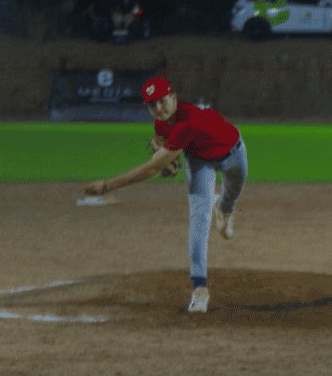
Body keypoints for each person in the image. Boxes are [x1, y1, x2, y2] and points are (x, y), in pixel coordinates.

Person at [83, 76, 248, 313]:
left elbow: (151, 167)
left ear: (174, 97)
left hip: (234, 154)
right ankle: (199, 289)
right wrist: (165, 155)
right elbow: (160, 140)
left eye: (162, 101)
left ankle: (223, 209)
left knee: (231, 196)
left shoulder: (187, 122)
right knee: (199, 219)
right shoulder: (162, 123)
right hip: (199, 161)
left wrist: (109, 185)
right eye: (152, 105)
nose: (158, 108)